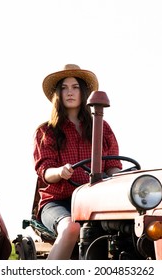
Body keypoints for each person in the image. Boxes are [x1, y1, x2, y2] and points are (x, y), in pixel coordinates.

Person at [33, 64, 122, 260]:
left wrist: (125, 178)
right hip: (58, 201)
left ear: (83, 93)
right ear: (58, 94)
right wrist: (60, 171)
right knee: (71, 228)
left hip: (94, 203)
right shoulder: (46, 131)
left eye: (75, 87)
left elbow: (112, 165)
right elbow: (44, 170)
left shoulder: (102, 128)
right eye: (64, 88)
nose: (70, 92)